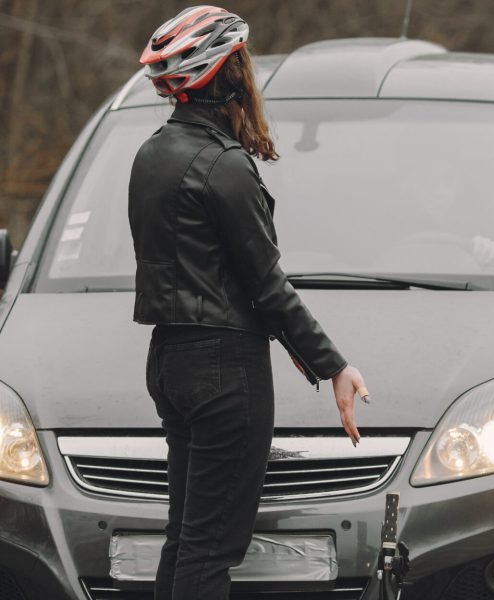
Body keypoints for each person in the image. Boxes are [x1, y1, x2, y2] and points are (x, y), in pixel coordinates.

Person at [127, 6, 369, 599]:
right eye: (242, 60)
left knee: (186, 542)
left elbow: (206, 270)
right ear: (225, 72)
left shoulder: (152, 154)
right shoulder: (224, 166)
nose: (249, 71)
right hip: (223, 370)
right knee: (211, 552)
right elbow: (266, 286)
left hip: (169, 361)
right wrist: (334, 365)